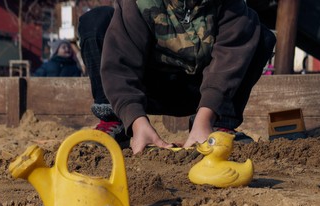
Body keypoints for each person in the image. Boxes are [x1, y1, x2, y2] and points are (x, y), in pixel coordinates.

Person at [78, 0, 276, 154]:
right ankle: (115, 120)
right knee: (96, 21)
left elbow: (230, 57)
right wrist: (137, 122)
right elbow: (120, 64)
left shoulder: (231, 6)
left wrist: (204, 119)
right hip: (147, 89)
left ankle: (218, 124)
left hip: (202, 94)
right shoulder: (137, 3)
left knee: (260, 34)